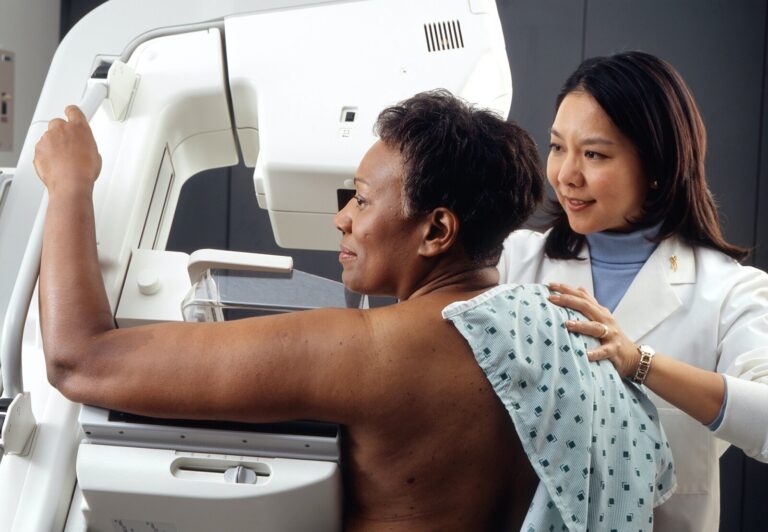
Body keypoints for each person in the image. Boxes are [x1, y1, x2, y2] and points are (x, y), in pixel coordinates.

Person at [35, 90, 673, 531]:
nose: (342, 217)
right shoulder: (568, 333)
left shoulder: (374, 351)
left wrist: (70, 186)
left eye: (362, 200)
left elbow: (80, 359)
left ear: (436, 230)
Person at [497, 51, 768, 531]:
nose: (566, 175)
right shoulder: (516, 260)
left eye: (595, 154)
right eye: (558, 147)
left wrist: (641, 363)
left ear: (656, 166)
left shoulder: (730, 291)